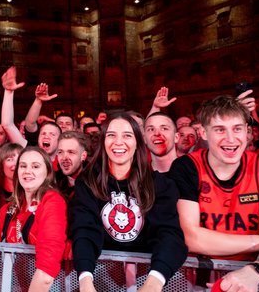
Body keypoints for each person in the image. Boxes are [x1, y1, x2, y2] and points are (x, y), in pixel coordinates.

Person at [169, 95, 259, 291]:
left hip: (252, 277)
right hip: (194, 277)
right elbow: (191, 238)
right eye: (220, 129)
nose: (231, 139)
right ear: (203, 132)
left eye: (237, 129)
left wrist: (255, 272)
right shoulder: (186, 167)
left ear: (248, 133)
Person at [69, 113, 187, 292]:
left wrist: (154, 282)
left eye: (127, 135)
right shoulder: (87, 182)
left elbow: (169, 235)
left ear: (138, 143)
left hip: (150, 276)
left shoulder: (160, 185)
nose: (118, 142)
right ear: (103, 141)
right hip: (100, 275)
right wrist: (85, 280)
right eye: (111, 135)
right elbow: (84, 230)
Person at [0, 147, 68, 291]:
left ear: (47, 172)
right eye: (23, 166)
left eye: (35, 166)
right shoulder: (9, 209)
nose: (27, 171)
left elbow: (47, 273)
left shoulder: (52, 202)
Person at [56, 131, 88, 198]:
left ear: (83, 156)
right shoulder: (53, 182)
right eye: (60, 152)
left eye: (71, 152)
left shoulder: (95, 184)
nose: (64, 158)